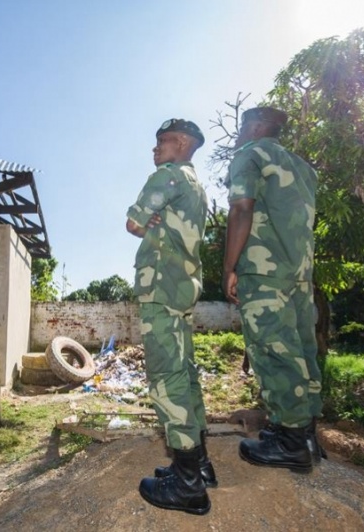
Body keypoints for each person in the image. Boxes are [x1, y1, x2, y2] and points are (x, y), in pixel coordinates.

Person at [222, 106, 324, 474]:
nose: (239, 134)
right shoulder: (303, 167)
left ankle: (290, 442)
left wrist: (230, 266)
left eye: (242, 126)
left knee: (272, 350)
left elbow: (240, 209)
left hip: (264, 271)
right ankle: (307, 433)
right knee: (302, 349)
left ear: (255, 127)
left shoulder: (248, 155)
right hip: (300, 274)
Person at [126, 118, 212, 515]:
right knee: (186, 373)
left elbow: (133, 223)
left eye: (161, 142)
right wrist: (155, 225)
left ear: (181, 142)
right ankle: (199, 465)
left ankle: (189, 485)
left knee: (166, 377)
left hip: (161, 288)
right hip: (184, 289)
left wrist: (147, 225)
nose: (155, 150)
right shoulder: (197, 186)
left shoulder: (168, 176)